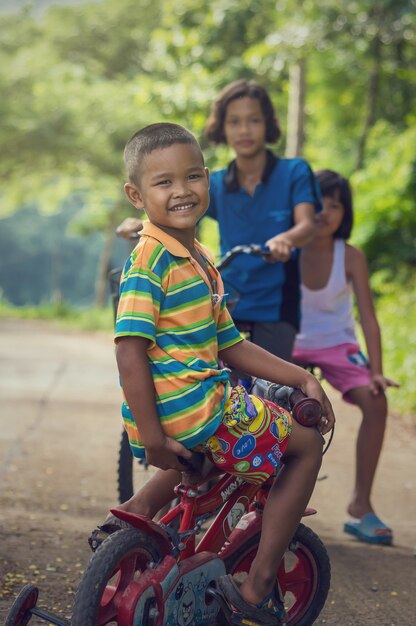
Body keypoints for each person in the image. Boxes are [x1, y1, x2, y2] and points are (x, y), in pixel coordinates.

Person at [110, 122, 335, 623]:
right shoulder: (152, 261)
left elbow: (229, 343)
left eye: (191, 177)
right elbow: (130, 351)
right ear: (135, 195)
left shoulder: (198, 258)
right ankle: (256, 586)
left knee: (210, 459)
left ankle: (138, 513)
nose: (181, 191)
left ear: (207, 180)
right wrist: (150, 438)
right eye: (163, 182)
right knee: (304, 446)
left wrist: (299, 375)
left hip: (170, 411)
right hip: (196, 411)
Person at [116, 79, 321, 362]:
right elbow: (180, 212)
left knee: (277, 388)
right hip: (228, 296)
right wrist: (141, 224)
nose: (244, 130)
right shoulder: (217, 183)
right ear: (222, 128)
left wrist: (288, 239)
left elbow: (307, 224)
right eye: (234, 122)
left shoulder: (293, 172)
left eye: (254, 120)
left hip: (276, 302)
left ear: (268, 124)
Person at [292, 169, 399, 545]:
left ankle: (360, 505)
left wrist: (377, 371)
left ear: (344, 213)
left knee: (376, 401)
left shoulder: (350, 256)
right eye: (318, 202)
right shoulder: (290, 247)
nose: (324, 211)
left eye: (334, 205)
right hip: (292, 342)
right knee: (270, 400)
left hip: (339, 346)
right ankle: (261, 497)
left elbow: (368, 318)